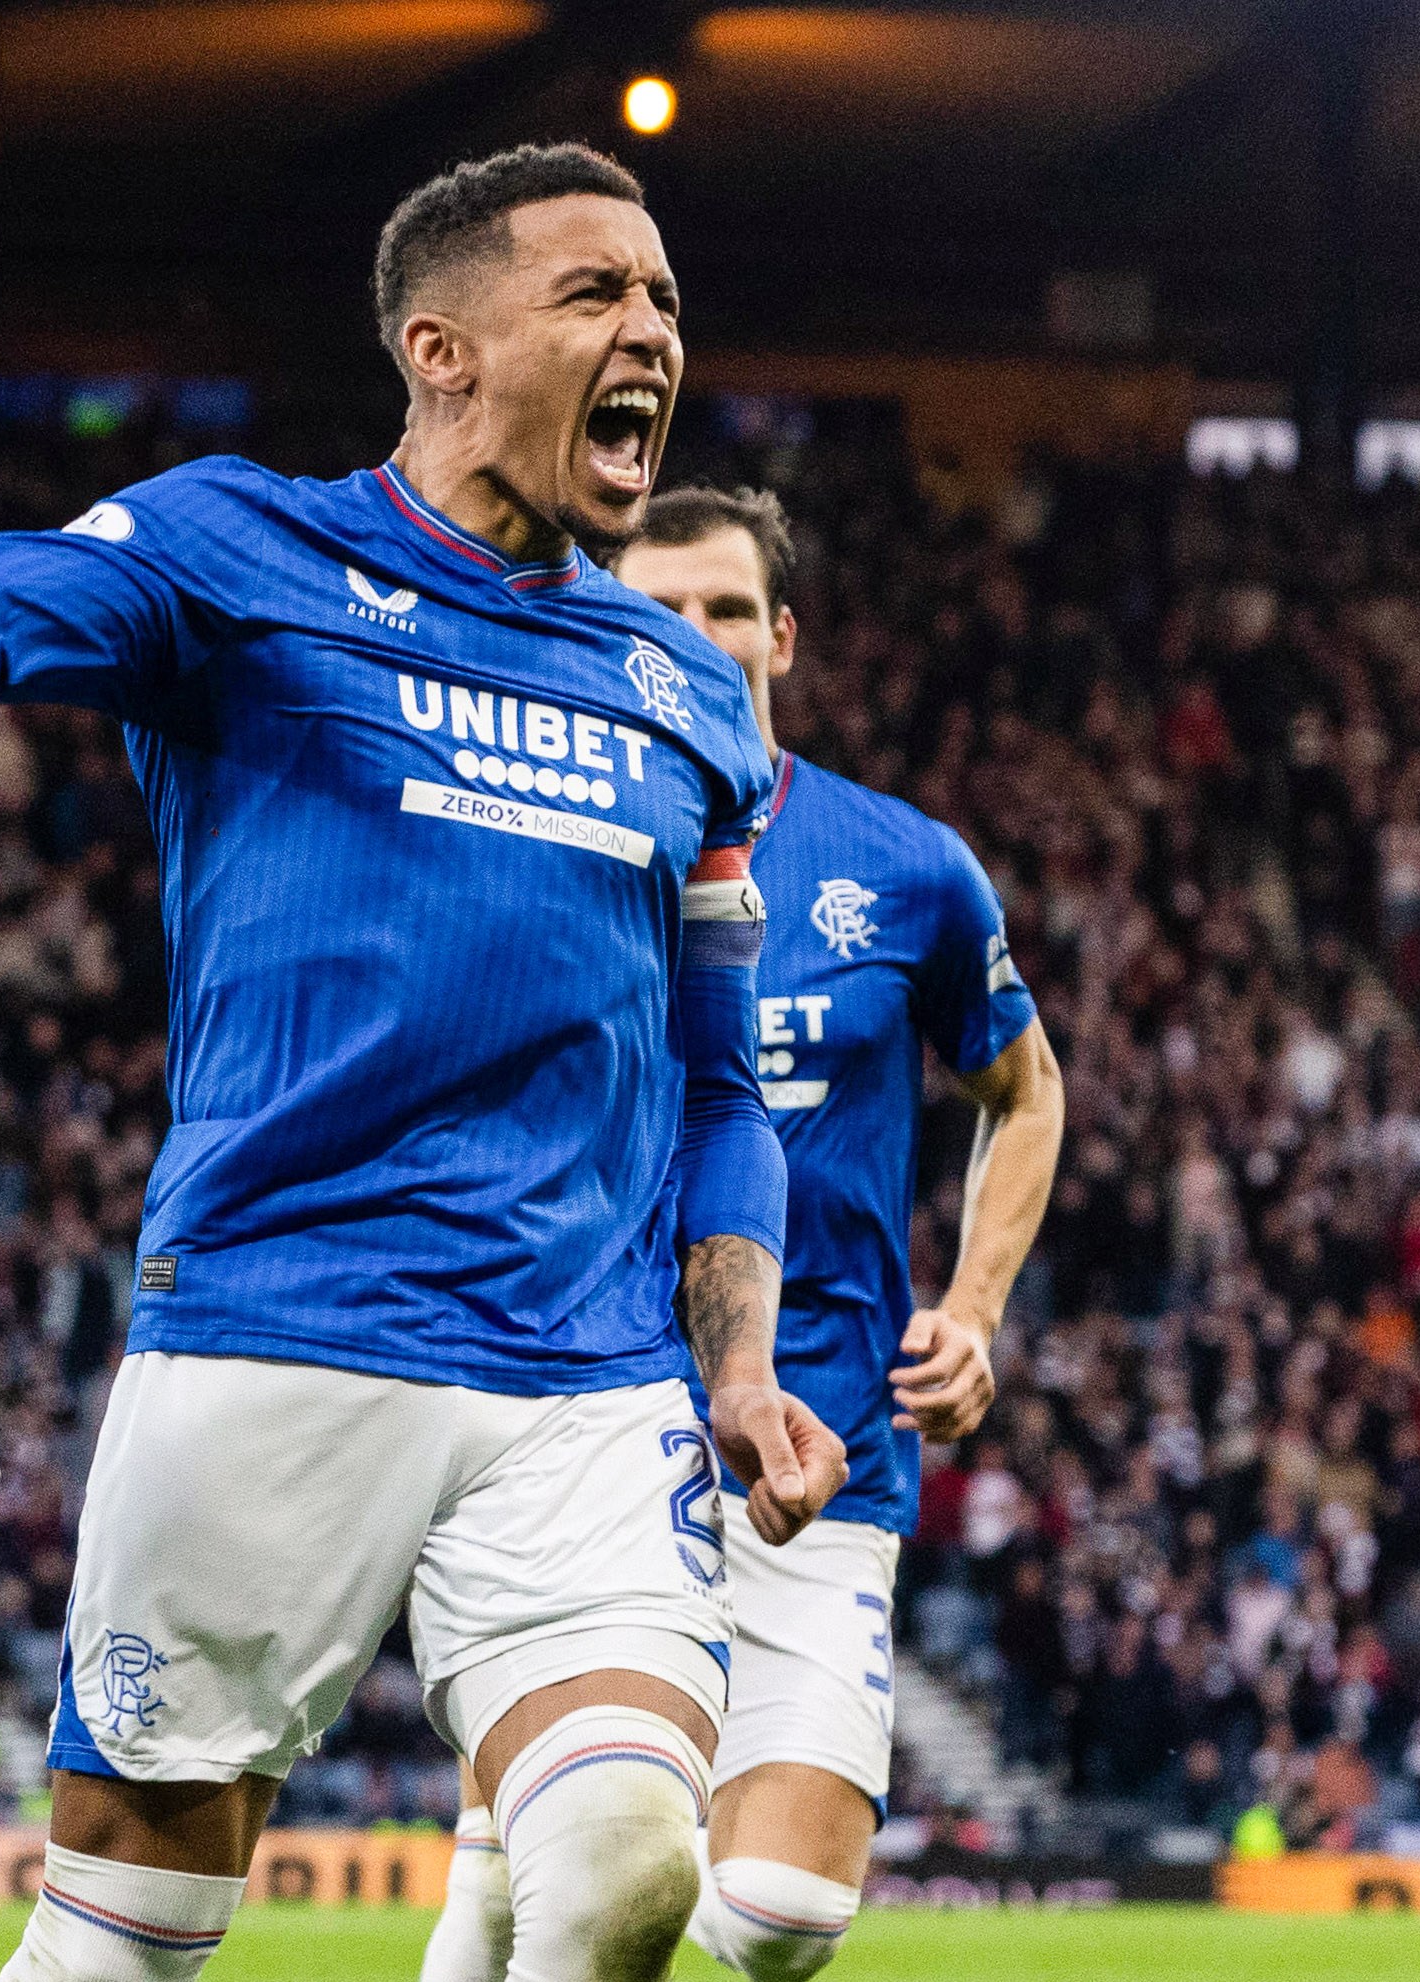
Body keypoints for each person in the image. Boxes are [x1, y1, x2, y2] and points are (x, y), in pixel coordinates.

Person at [0, 142, 846, 1982]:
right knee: (125, 1937)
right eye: (596, 293)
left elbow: (720, 1089)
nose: (652, 329)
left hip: (579, 1373)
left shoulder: (685, 691)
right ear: (442, 348)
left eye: (665, 302)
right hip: (273, 1329)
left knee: (628, 1861)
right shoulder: (246, 550)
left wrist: (738, 1357)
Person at [419, 488, 1062, 1981]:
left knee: (777, 1919)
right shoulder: (546, 841)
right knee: (578, 1888)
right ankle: (513, 1862)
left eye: (722, 607)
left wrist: (974, 1306)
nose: (691, 634)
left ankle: (508, 1852)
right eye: (659, 607)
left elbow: (1024, 1091)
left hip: (823, 1444)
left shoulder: (906, 869)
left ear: (779, 635)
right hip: (590, 1433)